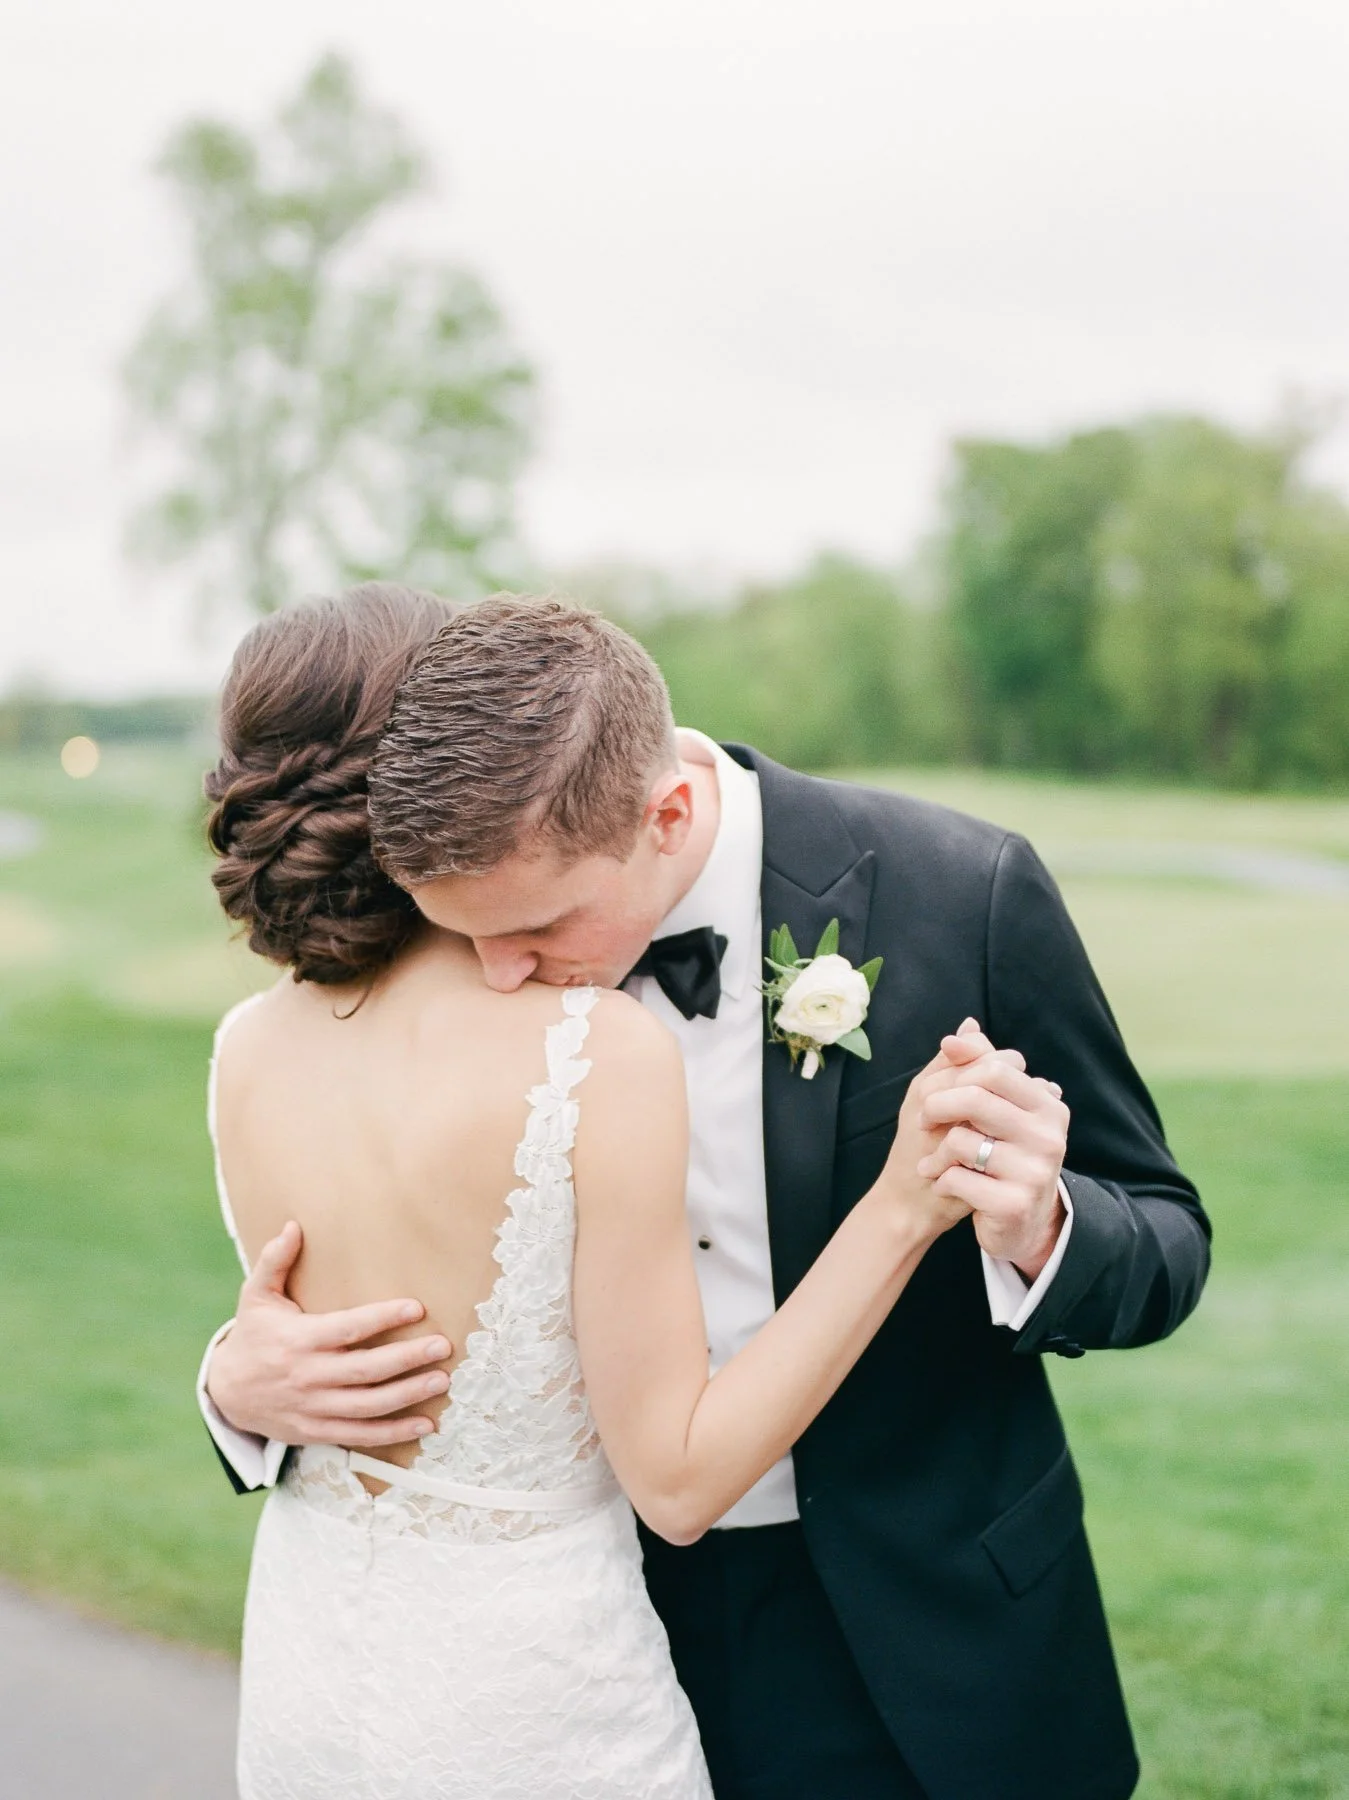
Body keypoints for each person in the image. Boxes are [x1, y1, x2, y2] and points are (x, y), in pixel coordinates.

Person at [202, 592, 1210, 1800]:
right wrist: (235, 1386)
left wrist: (1037, 1226)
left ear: (664, 812)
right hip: (595, 1639)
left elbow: (1163, 1231)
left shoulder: (961, 889)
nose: (499, 972)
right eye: (474, 937)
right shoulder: (478, 937)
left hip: (922, 1626)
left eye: (537, 927)